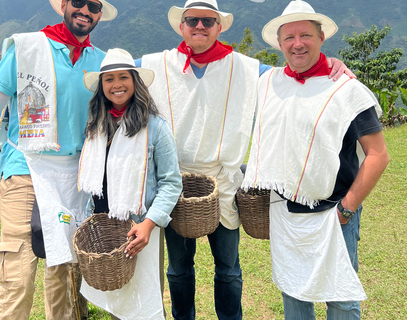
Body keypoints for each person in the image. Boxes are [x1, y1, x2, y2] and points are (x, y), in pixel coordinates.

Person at [138, 0, 352, 319]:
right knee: (179, 270)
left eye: (208, 21)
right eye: (193, 20)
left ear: (219, 27)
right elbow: (113, 74)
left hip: (225, 183)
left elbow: (290, 77)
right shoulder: (156, 65)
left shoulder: (242, 68)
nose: (200, 26)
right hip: (175, 186)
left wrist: (328, 66)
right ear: (181, 26)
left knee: (228, 269)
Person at [0, 0, 117, 319]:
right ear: (63, 5)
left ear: (100, 14)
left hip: (75, 180)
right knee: (18, 273)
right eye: (78, 2)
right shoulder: (27, 48)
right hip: (25, 169)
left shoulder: (101, 63)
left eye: (94, 5)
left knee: (62, 272)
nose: (85, 10)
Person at [242, 1, 390, 319]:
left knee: (340, 298)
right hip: (285, 212)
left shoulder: (347, 90)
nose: (298, 44)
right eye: (290, 37)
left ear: (321, 38)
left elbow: (378, 155)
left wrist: (346, 209)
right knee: (293, 292)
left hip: (335, 212)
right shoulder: (269, 83)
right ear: (280, 44)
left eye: (306, 35)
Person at [77, 48, 182, 320]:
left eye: (123, 77)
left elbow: (171, 183)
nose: (116, 85)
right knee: (117, 298)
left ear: (135, 82)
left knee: (144, 298)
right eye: (109, 79)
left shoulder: (156, 127)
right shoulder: (96, 125)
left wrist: (149, 224)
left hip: (138, 227)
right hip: (104, 225)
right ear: (101, 87)